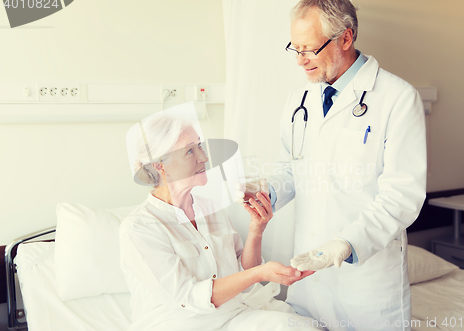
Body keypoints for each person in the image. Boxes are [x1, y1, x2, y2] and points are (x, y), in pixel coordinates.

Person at [265, 0, 427, 330]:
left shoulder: (397, 98)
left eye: (309, 49)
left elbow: (402, 195)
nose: (301, 60)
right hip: (308, 278)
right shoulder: (300, 101)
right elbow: (289, 168)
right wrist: (266, 194)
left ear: (346, 38)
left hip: (366, 279)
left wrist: (347, 242)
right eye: (295, 49)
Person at [119, 106, 324, 331]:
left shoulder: (209, 209)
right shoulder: (139, 229)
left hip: (233, 315)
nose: (204, 157)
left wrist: (257, 229)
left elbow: (243, 273)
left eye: (199, 145)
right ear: (160, 165)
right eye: (190, 150)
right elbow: (188, 298)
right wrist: (259, 273)